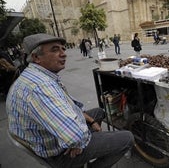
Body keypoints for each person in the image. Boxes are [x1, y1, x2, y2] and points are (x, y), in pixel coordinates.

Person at [6, 33, 134, 168]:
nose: (63, 54)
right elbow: (75, 136)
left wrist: (90, 122)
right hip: (57, 154)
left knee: (98, 113)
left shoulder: (38, 75)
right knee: (127, 138)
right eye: (55, 49)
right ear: (36, 57)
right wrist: (78, 142)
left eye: (63, 48)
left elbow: (71, 104)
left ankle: (88, 147)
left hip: (49, 136)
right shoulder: (39, 87)